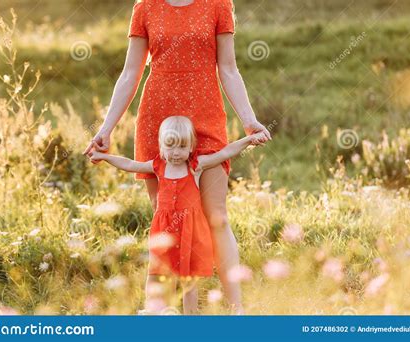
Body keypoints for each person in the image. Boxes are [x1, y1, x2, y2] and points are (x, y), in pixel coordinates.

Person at [83, 0, 272, 314]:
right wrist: (106, 128)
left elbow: (228, 68)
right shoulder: (145, 8)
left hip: (207, 119)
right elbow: (131, 72)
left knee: (217, 217)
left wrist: (249, 120)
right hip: (159, 124)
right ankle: (166, 311)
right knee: (166, 218)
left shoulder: (218, 5)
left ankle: (236, 309)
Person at [88, 116, 266, 314]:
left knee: (189, 278)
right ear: (162, 146)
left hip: (191, 230)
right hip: (164, 230)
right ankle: (159, 311)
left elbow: (225, 152)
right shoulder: (157, 166)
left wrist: (249, 140)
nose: (175, 153)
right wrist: (105, 157)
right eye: (170, 146)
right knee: (160, 270)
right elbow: (130, 164)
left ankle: (190, 316)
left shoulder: (195, 166)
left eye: (182, 146)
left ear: (191, 147)